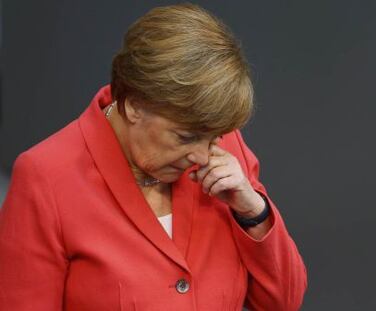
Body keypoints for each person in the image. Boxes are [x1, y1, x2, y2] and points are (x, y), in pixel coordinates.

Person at [0, 3, 307, 310]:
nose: (202, 156)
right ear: (133, 105)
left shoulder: (225, 150)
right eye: (185, 137)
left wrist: (252, 209)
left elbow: (283, 302)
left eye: (212, 138)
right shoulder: (45, 178)